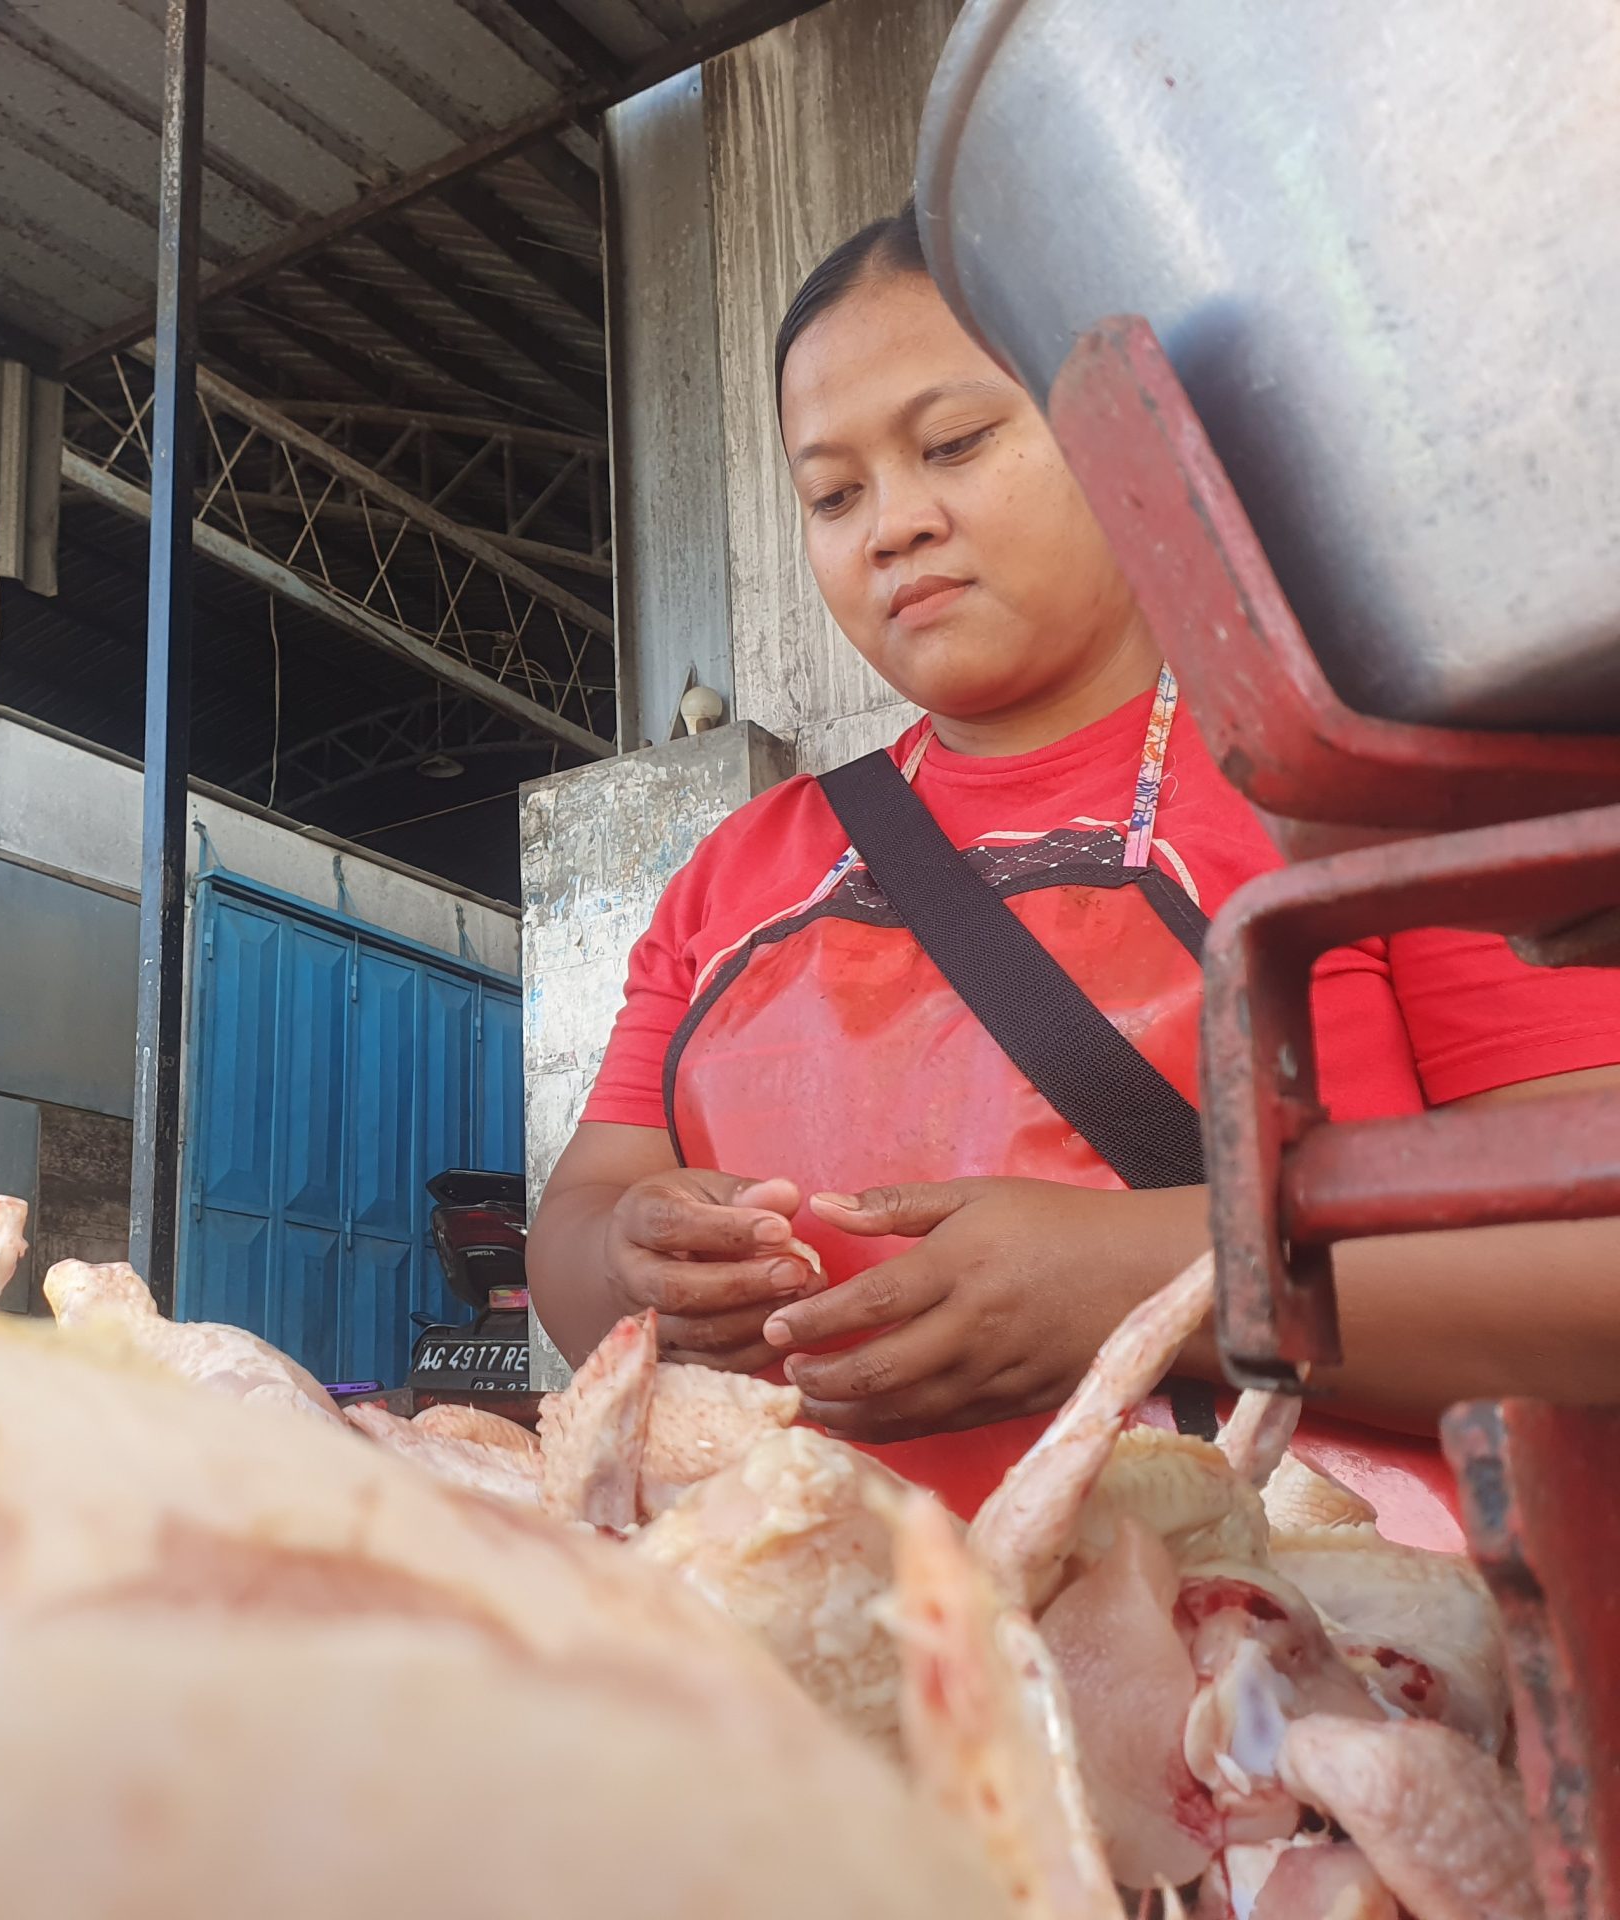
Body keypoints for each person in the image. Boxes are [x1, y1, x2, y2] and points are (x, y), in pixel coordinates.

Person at [529, 207, 1620, 1539]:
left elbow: (1593, 1262)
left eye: (954, 442)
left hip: (1305, 1632)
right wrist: (634, 1262)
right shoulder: (736, 874)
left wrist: (1141, 1283)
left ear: (1126, 441)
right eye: (833, 493)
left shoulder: (1380, 790)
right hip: (813, 1630)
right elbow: (575, 1229)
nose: (893, 525)